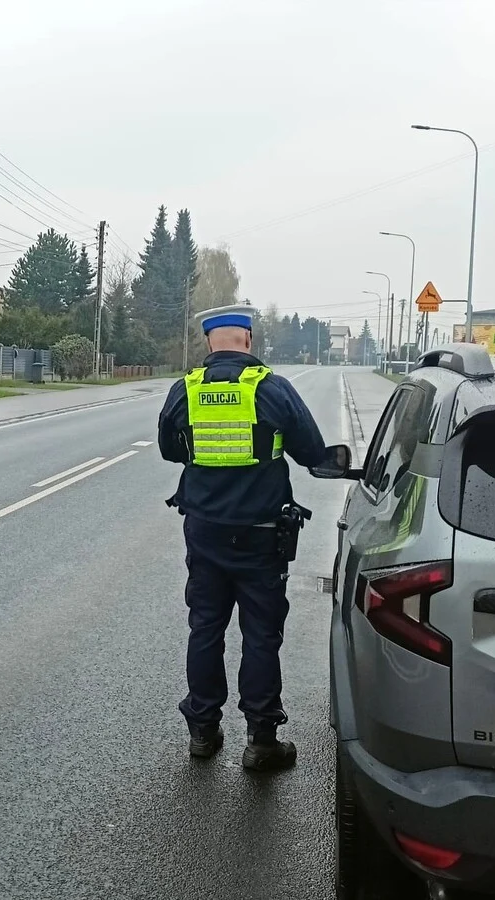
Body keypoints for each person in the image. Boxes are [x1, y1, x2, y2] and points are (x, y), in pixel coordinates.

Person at [157, 304, 326, 771]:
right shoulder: (272, 389)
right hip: (260, 536)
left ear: (209, 343)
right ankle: (261, 739)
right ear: (248, 341)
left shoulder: (185, 390)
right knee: (261, 634)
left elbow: (171, 451)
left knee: (206, 626)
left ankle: (203, 732)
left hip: (205, 533)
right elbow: (312, 451)